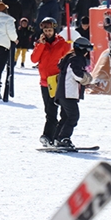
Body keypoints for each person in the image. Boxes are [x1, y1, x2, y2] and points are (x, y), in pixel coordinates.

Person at [31, 17, 71, 146]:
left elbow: (69, 59)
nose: (48, 33)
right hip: (44, 82)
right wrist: (41, 45)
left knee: (57, 110)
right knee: (49, 111)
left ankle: (51, 135)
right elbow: (34, 59)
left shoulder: (62, 43)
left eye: (50, 30)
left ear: (54, 30)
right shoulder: (40, 44)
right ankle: (50, 137)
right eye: (45, 30)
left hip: (57, 81)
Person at [53, 37, 94, 149]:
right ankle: (63, 138)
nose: (87, 53)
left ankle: (56, 138)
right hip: (68, 93)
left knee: (66, 117)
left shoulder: (70, 57)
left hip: (64, 93)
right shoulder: (76, 59)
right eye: (87, 50)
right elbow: (77, 74)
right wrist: (87, 78)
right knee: (73, 116)